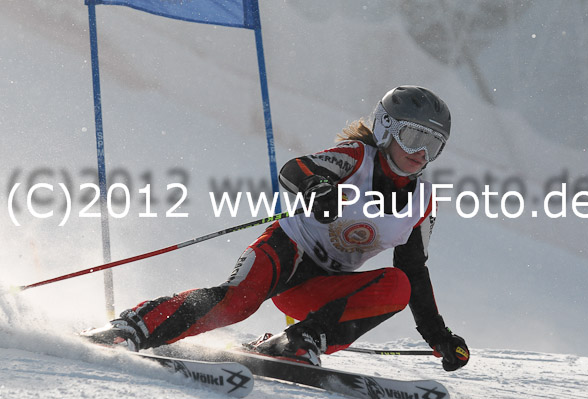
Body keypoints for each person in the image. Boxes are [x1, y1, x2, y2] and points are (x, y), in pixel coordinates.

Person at [84, 85, 470, 372]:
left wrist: (439, 336)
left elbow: (413, 272)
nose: (421, 152)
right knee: (238, 302)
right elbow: (296, 169)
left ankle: (299, 342)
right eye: (414, 136)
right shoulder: (357, 158)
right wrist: (317, 187)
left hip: (320, 289)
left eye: (434, 145)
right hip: (287, 251)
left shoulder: (423, 201)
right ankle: (134, 326)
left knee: (397, 285)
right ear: (385, 129)